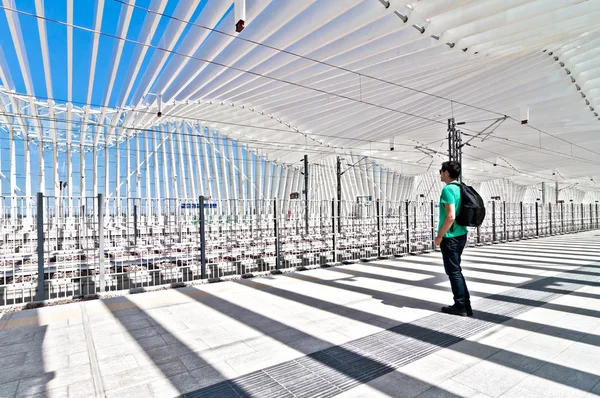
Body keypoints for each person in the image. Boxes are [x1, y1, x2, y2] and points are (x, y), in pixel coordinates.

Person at [434, 161, 472, 317]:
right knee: (457, 270)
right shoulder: (461, 187)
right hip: (461, 233)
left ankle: (460, 306)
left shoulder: (448, 189)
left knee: (453, 271)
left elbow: (450, 216)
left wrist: (439, 236)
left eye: (441, 171)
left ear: (447, 173)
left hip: (451, 237)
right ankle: (465, 304)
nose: (440, 174)